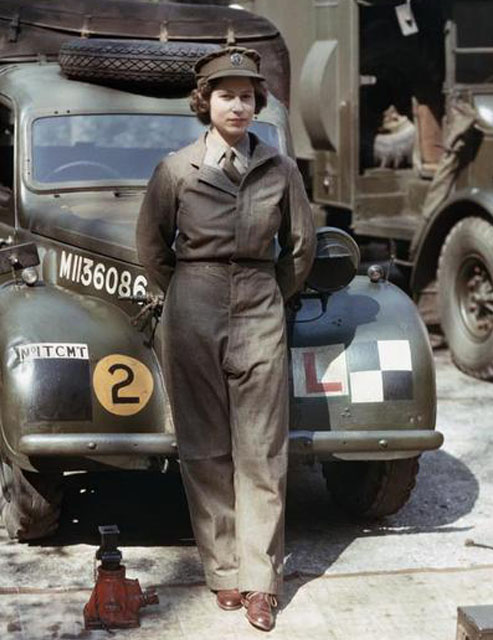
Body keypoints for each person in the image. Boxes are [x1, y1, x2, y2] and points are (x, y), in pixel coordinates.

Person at [136, 47, 316, 632]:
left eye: (246, 95)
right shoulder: (175, 170)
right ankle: (225, 573)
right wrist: (191, 293)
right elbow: (152, 251)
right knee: (206, 449)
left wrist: (269, 295)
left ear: (258, 103)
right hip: (193, 306)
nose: (237, 105)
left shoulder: (280, 169)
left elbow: (300, 248)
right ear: (204, 103)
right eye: (225, 95)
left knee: (262, 449)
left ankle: (261, 582)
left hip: (261, 306)